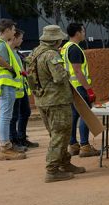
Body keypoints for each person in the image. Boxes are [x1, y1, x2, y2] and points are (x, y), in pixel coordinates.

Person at [27, 25, 86, 183]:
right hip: (57, 101)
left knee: (57, 134)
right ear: (56, 40)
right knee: (60, 135)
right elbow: (59, 77)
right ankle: (52, 170)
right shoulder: (51, 55)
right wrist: (66, 71)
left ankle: (64, 163)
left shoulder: (35, 53)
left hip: (42, 100)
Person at [0, 18, 26, 161]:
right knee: (6, 116)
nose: (14, 32)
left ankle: (6, 145)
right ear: (7, 30)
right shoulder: (1, 43)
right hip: (6, 84)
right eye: (13, 30)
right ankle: (5, 147)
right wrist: (10, 68)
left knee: (5, 115)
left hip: (3, 84)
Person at [61, 23, 100, 158]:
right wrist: (88, 89)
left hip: (70, 86)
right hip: (78, 86)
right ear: (77, 33)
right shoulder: (75, 49)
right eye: (83, 31)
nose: (84, 34)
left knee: (74, 115)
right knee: (85, 114)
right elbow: (77, 71)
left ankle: (73, 144)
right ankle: (85, 146)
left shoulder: (65, 47)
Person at [9, 29, 38, 151]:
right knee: (13, 116)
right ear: (14, 38)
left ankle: (21, 137)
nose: (22, 40)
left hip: (21, 87)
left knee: (25, 112)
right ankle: (13, 139)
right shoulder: (9, 52)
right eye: (20, 38)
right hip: (13, 88)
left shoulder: (17, 53)